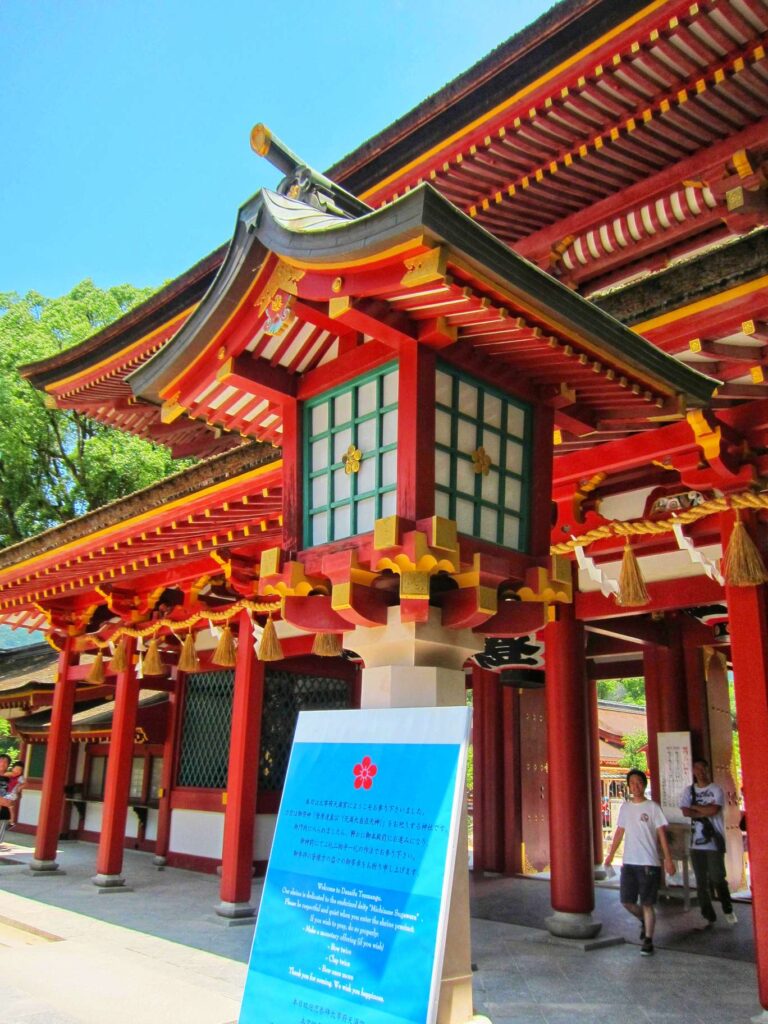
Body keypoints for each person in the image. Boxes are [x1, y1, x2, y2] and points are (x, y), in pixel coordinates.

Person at [604, 768, 675, 956]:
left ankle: (649, 940)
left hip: (648, 862)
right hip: (629, 861)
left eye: (639, 783)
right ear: (628, 785)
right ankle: (644, 920)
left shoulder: (653, 807)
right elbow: (619, 831)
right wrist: (611, 854)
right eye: (632, 783)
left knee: (647, 903)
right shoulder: (625, 807)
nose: (635, 786)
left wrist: (668, 859)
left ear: (644, 784)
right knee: (626, 901)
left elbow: (661, 834)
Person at [680, 757, 737, 928]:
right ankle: (708, 915)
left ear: (707, 770)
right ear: (693, 771)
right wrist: (701, 810)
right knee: (701, 882)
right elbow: (685, 811)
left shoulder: (716, 790)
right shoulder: (688, 791)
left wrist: (695, 808)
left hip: (713, 841)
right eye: (697, 769)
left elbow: (714, 810)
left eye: (703, 769)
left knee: (717, 877)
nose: (700, 772)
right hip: (695, 843)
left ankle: (727, 908)